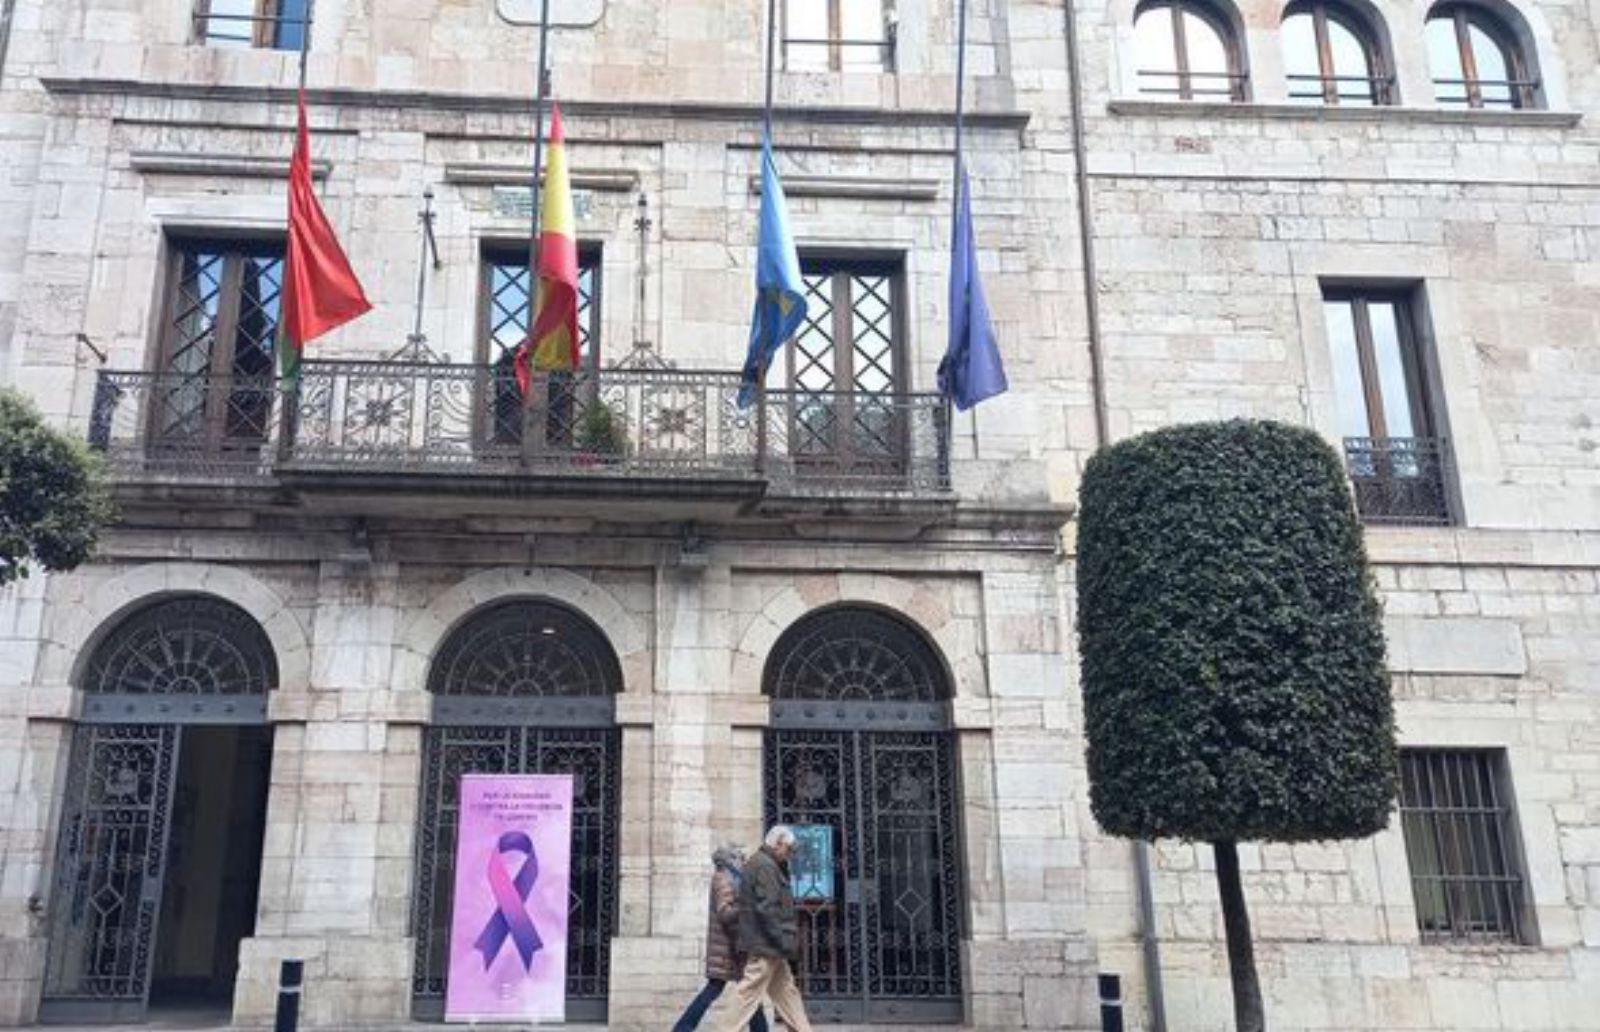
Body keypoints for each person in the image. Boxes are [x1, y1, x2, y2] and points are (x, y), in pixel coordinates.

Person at [715, 825, 814, 1032]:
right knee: (747, 993)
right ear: (777, 843)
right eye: (789, 849)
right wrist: (781, 940)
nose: (790, 854)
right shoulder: (765, 866)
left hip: (768, 943)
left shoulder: (764, 863)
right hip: (766, 944)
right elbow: (767, 909)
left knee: (787, 992)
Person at [672, 844, 769, 1032]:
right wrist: (745, 907)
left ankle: (682, 1028)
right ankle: (682, 1028)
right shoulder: (723, 878)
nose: (744, 861)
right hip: (727, 949)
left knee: (747, 990)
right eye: (740, 857)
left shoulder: (732, 878)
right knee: (724, 990)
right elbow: (725, 913)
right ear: (731, 859)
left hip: (733, 947)